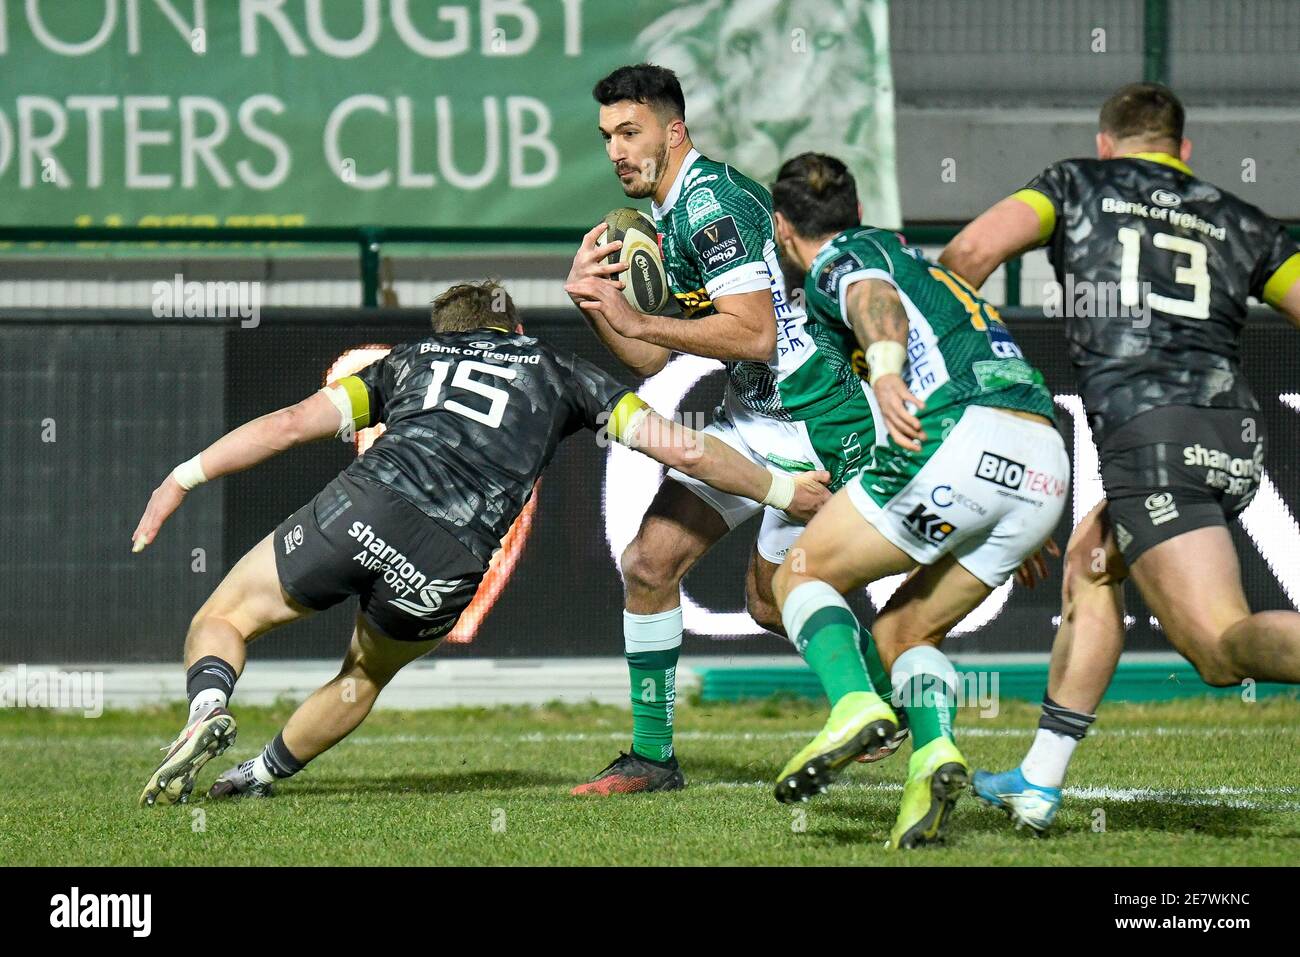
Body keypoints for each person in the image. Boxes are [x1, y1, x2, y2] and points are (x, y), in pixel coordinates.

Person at [132, 281, 829, 806]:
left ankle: (207, 708)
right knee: (363, 675)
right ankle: (259, 774)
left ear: (447, 329)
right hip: (450, 561)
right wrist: (778, 490)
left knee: (224, 618)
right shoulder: (560, 371)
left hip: (366, 505)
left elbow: (288, 424)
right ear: (513, 326)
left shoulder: (409, 360)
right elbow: (682, 448)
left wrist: (183, 475)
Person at [939, 81, 1300, 831]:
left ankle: (1039, 781)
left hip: (1150, 435)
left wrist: (942, 363)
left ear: (1106, 143)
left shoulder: (1074, 183)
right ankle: (1038, 780)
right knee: (1091, 561)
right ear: (1183, 152)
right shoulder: (1240, 217)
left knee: (1220, 650)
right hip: (1229, 434)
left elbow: (969, 251)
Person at [563, 63, 884, 795]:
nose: (616, 150)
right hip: (754, 416)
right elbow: (651, 354)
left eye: (630, 132)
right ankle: (652, 757)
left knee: (771, 602)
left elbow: (756, 333)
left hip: (811, 419)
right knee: (648, 563)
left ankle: (894, 705)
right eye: (608, 135)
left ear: (674, 131)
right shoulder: (667, 217)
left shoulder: (711, 205)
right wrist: (597, 302)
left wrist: (641, 315)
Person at [768, 153, 1069, 849]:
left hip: (956, 433)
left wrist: (883, 369)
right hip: (1042, 462)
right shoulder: (920, 260)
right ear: (858, 206)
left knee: (803, 570)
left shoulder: (846, 257)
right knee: (903, 634)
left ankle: (850, 704)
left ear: (782, 226)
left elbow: (871, 299)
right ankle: (933, 755)